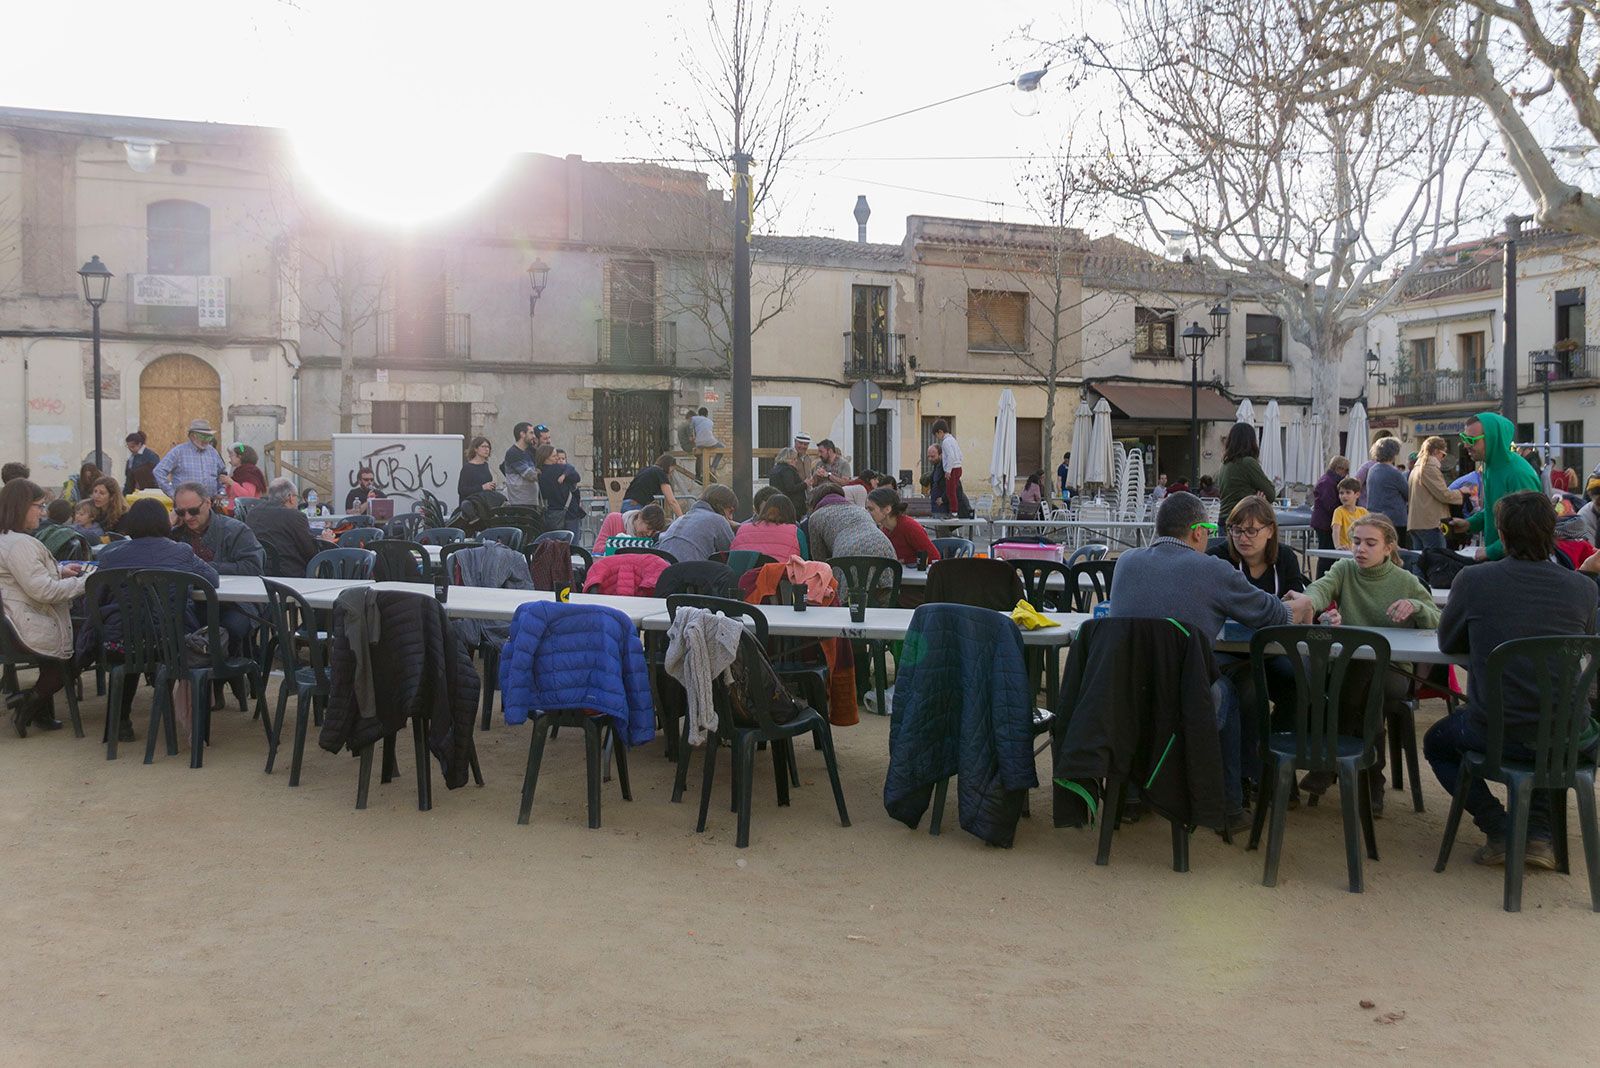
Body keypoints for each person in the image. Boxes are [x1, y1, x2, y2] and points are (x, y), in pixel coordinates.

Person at [1427, 491, 1600, 868]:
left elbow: (1448, 642)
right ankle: (1538, 834)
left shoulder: (1473, 580)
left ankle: (1499, 828)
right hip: (1569, 735)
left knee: (1437, 742)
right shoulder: (1583, 588)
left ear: (1502, 535)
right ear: (1552, 533)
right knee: (1547, 719)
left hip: (1496, 732)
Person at [1108, 491, 1299, 830]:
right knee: (1230, 691)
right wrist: (1301, 608)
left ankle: (1133, 795)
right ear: (1198, 532)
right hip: (1185, 699)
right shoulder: (1212, 570)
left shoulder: (1126, 562)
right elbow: (1273, 615)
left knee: (1214, 683)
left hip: (1125, 694)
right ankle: (1227, 806)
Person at [1282, 513, 1439, 811]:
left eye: (1370, 543)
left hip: (1393, 672)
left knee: (1368, 667)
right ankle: (1372, 782)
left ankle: (1328, 765)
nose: (1360, 549)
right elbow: (1319, 589)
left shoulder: (1406, 580)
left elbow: (1437, 620)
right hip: (1348, 674)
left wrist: (1416, 606)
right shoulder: (1344, 570)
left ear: (1389, 547)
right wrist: (1312, 605)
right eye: (1356, 542)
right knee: (1367, 690)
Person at [92, 498, 221, 741]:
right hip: (168, 645)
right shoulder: (180, 552)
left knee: (133, 642)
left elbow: (97, 597)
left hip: (119, 644)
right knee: (157, 635)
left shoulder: (111, 556)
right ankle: (173, 721)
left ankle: (119, 722)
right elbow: (211, 579)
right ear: (165, 522)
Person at [0, 479, 89, 735]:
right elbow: (44, 591)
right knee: (80, 651)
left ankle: (33, 708)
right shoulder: (20, 544)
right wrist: (85, 582)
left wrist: (60, 571)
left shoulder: (7, 539)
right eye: (38, 506)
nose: (43, 512)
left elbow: (20, 576)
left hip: (12, 626)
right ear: (20, 507)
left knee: (59, 661)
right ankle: (28, 702)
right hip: (24, 626)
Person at [169, 482, 266, 649]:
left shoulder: (235, 530)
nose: (187, 517)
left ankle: (230, 670)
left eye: (193, 511)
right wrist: (166, 527)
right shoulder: (175, 535)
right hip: (192, 603)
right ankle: (195, 670)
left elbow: (252, 567)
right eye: (180, 512)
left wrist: (205, 567)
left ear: (207, 503)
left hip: (235, 603)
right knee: (170, 625)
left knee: (230, 629)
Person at [1447, 412, 1544, 561]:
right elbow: (1494, 509)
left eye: (1471, 440)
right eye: (1464, 438)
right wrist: (1470, 523)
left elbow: (1526, 529)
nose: (1466, 445)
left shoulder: (1517, 473)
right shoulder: (1490, 467)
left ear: (1493, 439)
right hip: (1501, 560)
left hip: (1519, 563)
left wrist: (1490, 551)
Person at [245, 477, 336, 577]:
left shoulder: (252, 513)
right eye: (297, 497)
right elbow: (311, 552)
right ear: (290, 497)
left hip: (260, 573)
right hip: (290, 575)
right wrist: (326, 543)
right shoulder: (295, 516)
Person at [804, 484, 895, 562]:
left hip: (847, 555)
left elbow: (819, 559)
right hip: (885, 547)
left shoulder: (815, 517)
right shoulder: (861, 510)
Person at [1407, 436, 1465, 551]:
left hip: (1416, 523)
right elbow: (1443, 495)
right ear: (1435, 451)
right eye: (1442, 455)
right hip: (1430, 523)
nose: (1442, 459)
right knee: (1436, 560)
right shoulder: (1429, 467)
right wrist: (1461, 492)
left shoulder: (1416, 468)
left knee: (1420, 563)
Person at [654, 483, 737, 563]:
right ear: (722, 505)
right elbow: (733, 553)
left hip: (663, 570)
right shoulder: (718, 520)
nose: (731, 518)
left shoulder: (681, 519)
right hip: (689, 572)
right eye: (730, 511)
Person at [865, 487, 940, 567]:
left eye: (871, 509)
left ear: (887, 509)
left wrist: (904, 560)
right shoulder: (884, 529)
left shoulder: (909, 527)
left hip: (914, 577)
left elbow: (934, 557)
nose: (866, 513)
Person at [152, 419, 228, 499]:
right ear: (192, 436)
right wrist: (173, 494)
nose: (206, 440)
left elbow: (223, 474)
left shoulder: (213, 452)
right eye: (203, 437)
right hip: (185, 505)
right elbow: (158, 471)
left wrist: (222, 492)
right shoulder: (178, 452)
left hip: (210, 504)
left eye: (209, 437)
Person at [1217, 422, 1275, 519]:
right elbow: (1271, 494)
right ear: (1251, 441)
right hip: (1242, 520)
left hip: (1224, 519)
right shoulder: (1247, 463)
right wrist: (1257, 500)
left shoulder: (1224, 464)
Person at [1364, 437, 1411, 547]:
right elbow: (1408, 494)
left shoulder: (1372, 470)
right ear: (1394, 453)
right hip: (1395, 520)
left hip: (1374, 517)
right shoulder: (1394, 473)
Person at [730, 493, 802, 560]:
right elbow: (805, 565)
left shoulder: (742, 529)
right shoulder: (796, 532)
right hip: (780, 573)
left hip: (745, 573)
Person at [1311, 456, 1350, 572]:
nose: (1346, 474)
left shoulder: (1329, 480)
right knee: (1326, 556)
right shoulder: (1327, 482)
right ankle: (1321, 578)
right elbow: (1330, 505)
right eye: (1346, 470)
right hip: (1325, 524)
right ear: (1338, 468)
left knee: (1328, 556)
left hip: (1325, 523)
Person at [534, 444, 583, 537]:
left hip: (551, 513)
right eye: (554, 456)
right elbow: (577, 477)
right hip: (570, 512)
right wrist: (565, 474)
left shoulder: (539, 473)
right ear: (546, 457)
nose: (557, 458)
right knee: (572, 544)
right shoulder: (561, 468)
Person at [591, 504, 668, 555]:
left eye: (654, 531)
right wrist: (617, 544)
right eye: (649, 528)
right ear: (640, 516)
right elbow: (597, 550)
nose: (649, 534)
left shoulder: (653, 538)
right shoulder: (614, 520)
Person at [501, 422, 543, 507]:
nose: (534, 436)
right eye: (531, 433)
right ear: (522, 434)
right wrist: (540, 472)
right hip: (520, 504)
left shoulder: (530, 451)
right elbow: (531, 476)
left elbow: (539, 468)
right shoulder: (513, 453)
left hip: (531, 502)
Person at [931, 420, 964, 517]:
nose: (938, 438)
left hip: (952, 469)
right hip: (958, 467)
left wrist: (948, 470)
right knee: (952, 490)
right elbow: (960, 454)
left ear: (940, 432)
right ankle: (954, 512)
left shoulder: (945, 442)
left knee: (950, 491)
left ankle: (953, 513)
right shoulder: (953, 439)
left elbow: (951, 456)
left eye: (937, 435)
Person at [766, 447, 809, 518]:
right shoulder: (787, 470)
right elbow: (790, 488)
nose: (796, 461)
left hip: (778, 504)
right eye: (794, 459)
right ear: (789, 459)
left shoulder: (775, 469)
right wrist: (805, 484)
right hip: (791, 505)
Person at [1331, 477, 1367, 550]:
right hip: (1344, 550)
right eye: (1341, 493)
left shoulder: (1363, 511)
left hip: (1359, 549)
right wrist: (1337, 546)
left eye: (1348, 492)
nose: (1344, 496)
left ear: (1357, 495)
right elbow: (1336, 530)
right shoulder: (1339, 511)